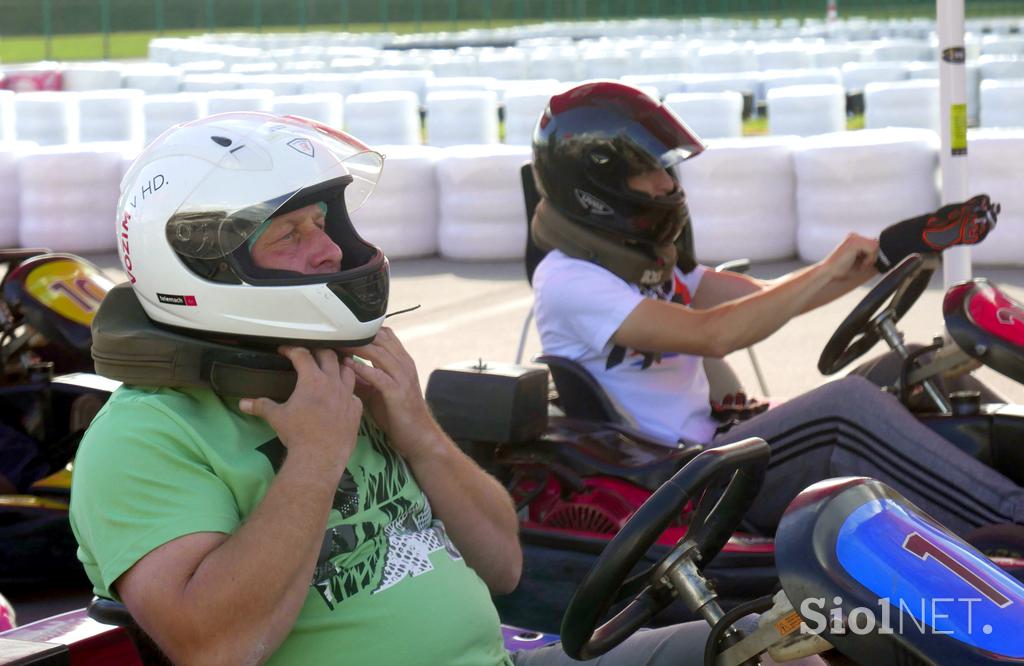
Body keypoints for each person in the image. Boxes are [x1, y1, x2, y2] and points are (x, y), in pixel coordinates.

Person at [69, 113, 828, 666]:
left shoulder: (341, 379)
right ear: (204, 261)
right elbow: (215, 646)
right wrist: (314, 458)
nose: (332, 247)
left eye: (322, 221)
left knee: (805, 639)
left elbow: (502, 565)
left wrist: (418, 430)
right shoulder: (145, 436)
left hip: (509, 655)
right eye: (290, 233)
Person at [529, 81, 1024, 537]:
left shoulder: (648, 267)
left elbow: (770, 296)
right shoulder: (571, 282)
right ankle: (1010, 520)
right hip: (682, 480)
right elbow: (713, 335)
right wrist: (829, 269)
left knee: (914, 366)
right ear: (594, 187)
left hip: (720, 443)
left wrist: (896, 246)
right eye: (648, 171)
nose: (666, 183)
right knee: (843, 409)